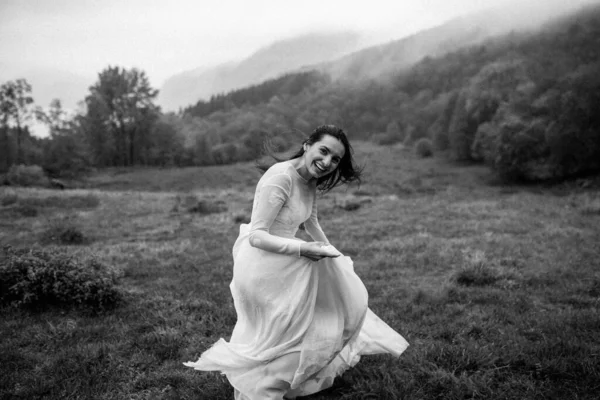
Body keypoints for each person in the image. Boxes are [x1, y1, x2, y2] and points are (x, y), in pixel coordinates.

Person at [184, 125, 408, 399]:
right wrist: (303, 249)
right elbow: (257, 236)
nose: (327, 162)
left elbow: (311, 221)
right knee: (292, 326)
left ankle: (287, 374)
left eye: (335, 159)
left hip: (288, 256)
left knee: (339, 298)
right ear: (306, 145)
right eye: (323, 151)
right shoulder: (280, 178)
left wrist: (331, 252)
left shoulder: (310, 180)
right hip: (262, 264)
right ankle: (265, 384)